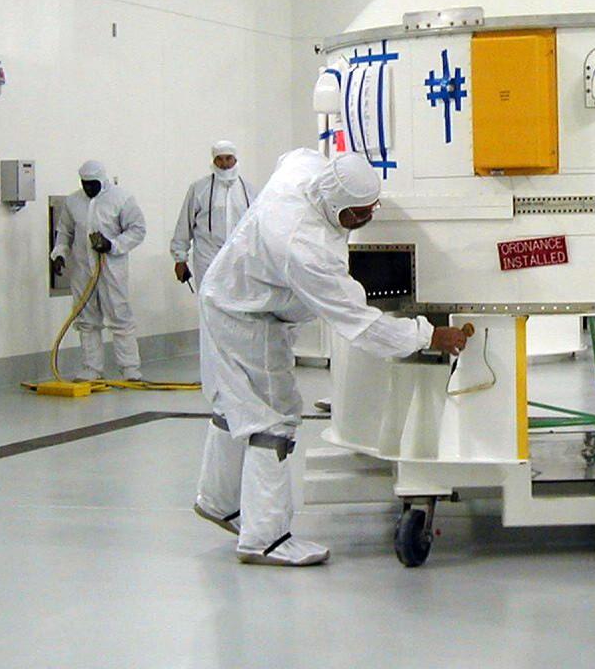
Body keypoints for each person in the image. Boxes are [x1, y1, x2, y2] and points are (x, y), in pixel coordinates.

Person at [193, 149, 467, 566]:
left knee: (235, 406)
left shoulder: (307, 171)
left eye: (372, 207)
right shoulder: (303, 246)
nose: (367, 219)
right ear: (336, 206)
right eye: (359, 214)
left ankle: (217, 501)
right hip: (248, 317)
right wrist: (429, 335)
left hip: (227, 293)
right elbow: (360, 324)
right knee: (273, 419)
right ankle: (264, 539)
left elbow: (294, 154)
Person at [49, 160, 148, 380]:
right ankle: (91, 368)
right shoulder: (73, 201)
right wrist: (59, 254)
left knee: (119, 316)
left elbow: (137, 230)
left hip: (112, 268)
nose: (88, 189)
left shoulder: (121, 199)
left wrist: (112, 244)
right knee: (86, 319)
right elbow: (65, 231)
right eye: (85, 184)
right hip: (83, 269)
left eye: (92, 184)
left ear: (102, 180)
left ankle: (130, 368)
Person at [170, 141, 259, 290]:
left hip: (241, 257)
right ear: (214, 161)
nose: (224, 164)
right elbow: (184, 225)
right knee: (209, 301)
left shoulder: (249, 190)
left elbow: (257, 226)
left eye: (228, 158)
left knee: (240, 304)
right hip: (208, 257)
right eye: (220, 159)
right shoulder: (199, 188)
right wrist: (180, 258)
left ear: (235, 159)